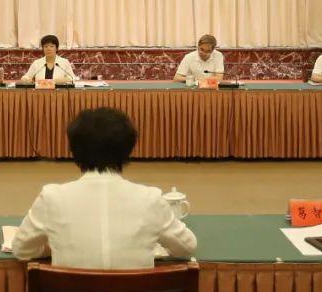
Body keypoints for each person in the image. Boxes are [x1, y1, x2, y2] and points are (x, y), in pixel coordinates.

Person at [12, 107, 196, 268]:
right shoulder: (151, 199)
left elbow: (21, 249)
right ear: (128, 149)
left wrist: (53, 245)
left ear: (73, 151)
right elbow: (187, 247)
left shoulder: (51, 197)